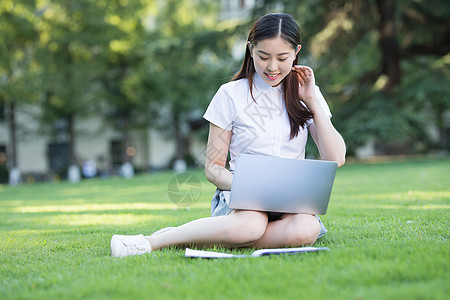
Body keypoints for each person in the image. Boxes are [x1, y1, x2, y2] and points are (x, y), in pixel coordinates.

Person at [110, 13, 346, 258]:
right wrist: (253, 188)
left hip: (290, 202)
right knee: (250, 225)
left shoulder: (308, 93)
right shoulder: (230, 94)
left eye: (282, 58)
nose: (272, 67)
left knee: (306, 229)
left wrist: (312, 103)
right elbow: (213, 168)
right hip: (241, 197)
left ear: (297, 52)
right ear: (250, 49)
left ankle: (207, 236)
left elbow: (336, 157)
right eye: (263, 57)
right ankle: (153, 241)